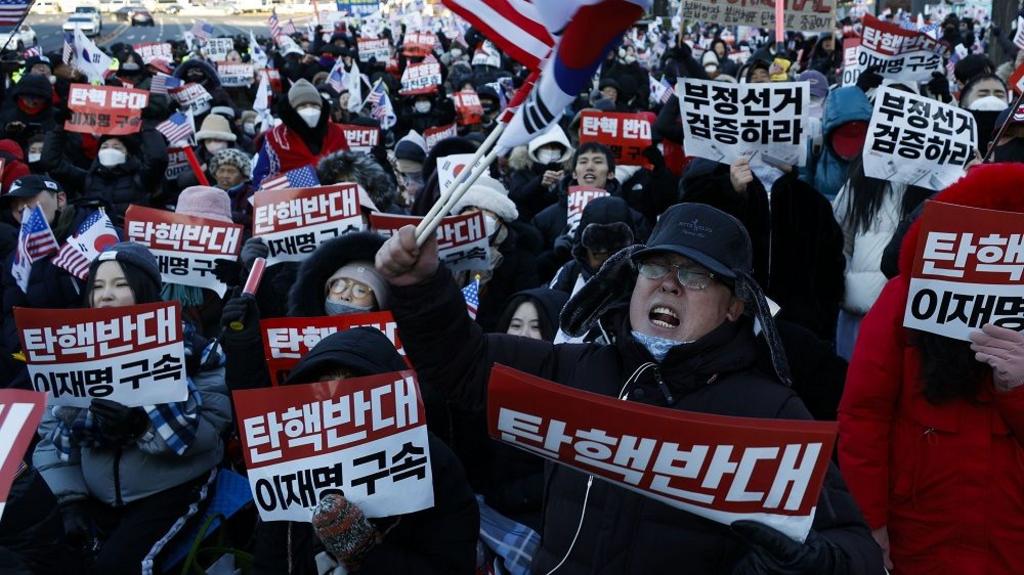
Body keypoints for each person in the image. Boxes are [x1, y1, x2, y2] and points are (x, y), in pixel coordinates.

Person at [375, 202, 883, 574]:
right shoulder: (574, 368)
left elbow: (856, 549)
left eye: (696, 275)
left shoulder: (770, 414)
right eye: (656, 267)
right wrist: (421, 286)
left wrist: (812, 565)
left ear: (735, 307)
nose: (668, 283)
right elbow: (463, 366)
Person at [838, 164, 1024, 575]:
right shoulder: (904, 297)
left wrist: (1018, 388)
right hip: (920, 534)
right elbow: (864, 415)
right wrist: (871, 523)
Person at [32, 242, 231, 574]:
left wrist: (144, 428)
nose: (105, 295)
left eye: (120, 284)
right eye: (97, 286)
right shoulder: (68, 356)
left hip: (171, 487)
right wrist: (70, 500)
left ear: (146, 292)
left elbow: (210, 432)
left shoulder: (198, 353)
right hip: (94, 493)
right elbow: (49, 438)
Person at [251, 328, 479, 574]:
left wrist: (368, 554)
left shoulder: (432, 464)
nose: (335, 407)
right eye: (320, 391)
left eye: (354, 393)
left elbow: (452, 566)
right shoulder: (287, 468)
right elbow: (269, 560)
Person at [831, 158, 933, 360]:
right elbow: (839, 240)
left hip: (911, 317)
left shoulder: (943, 182)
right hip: (859, 313)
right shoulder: (862, 181)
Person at [251, 79, 350, 189]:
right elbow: (261, 182)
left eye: (315, 105)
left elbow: (349, 169)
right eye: (303, 106)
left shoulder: (336, 133)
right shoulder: (276, 138)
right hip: (292, 201)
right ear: (292, 109)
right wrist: (305, 178)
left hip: (334, 200)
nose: (310, 110)